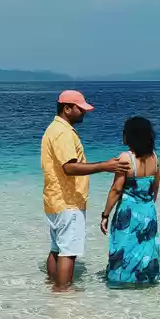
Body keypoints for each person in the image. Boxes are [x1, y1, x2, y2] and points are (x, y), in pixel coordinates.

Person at [41, 90, 131, 292]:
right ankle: (63, 291)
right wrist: (105, 166)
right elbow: (69, 167)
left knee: (56, 248)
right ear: (67, 108)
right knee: (68, 252)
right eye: (80, 109)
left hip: (54, 198)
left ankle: (53, 287)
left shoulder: (53, 129)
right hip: (68, 200)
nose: (84, 113)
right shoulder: (63, 133)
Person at [99, 116, 160, 287]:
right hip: (148, 211)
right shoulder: (155, 158)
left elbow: (116, 189)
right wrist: (146, 207)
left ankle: (121, 281)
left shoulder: (126, 158)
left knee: (123, 245)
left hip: (128, 210)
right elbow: (155, 188)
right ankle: (145, 280)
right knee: (146, 247)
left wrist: (105, 215)